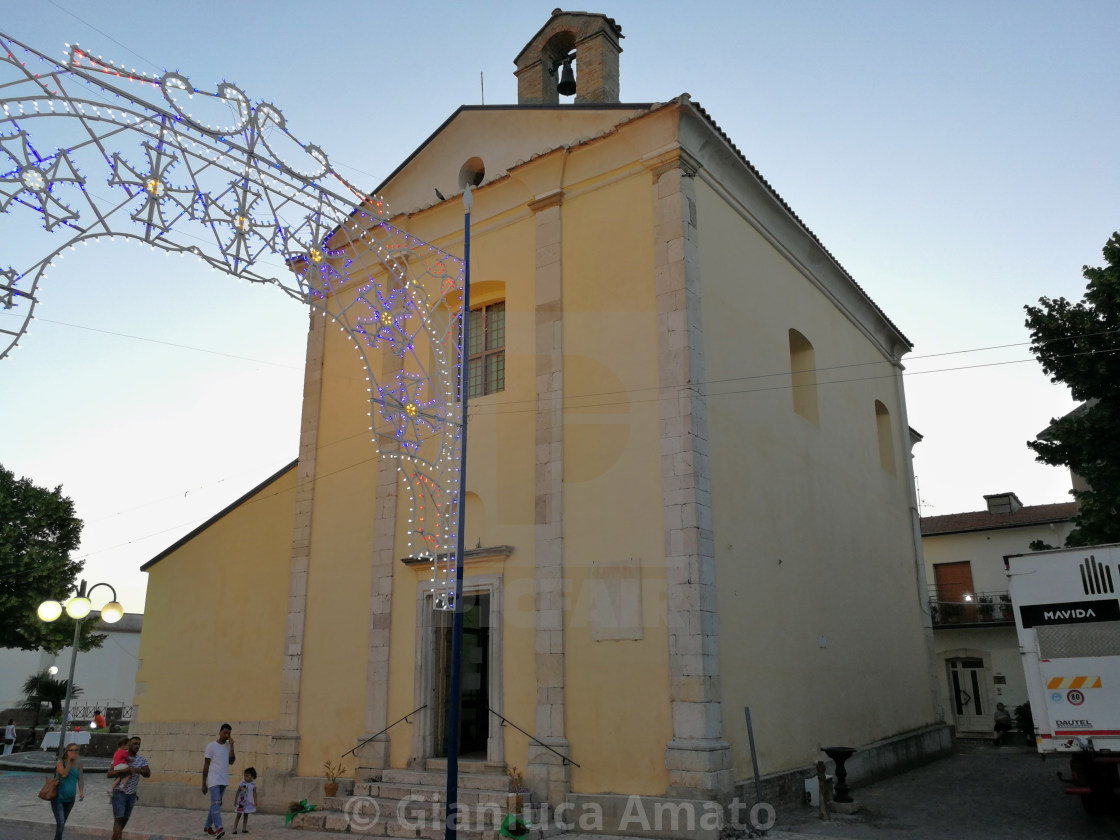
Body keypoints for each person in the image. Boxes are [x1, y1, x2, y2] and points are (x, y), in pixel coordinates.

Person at [107, 736, 149, 840]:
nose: (137, 746)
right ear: (128, 745)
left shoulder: (141, 760)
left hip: (131, 795)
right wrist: (124, 771)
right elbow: (109, 774)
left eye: (139, 744)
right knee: (118, 819)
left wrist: (138, 770)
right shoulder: (119, 756)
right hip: (119, 793)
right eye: (135, 743)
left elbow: (148, 773)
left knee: (123, 823)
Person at [202, 723, 236, 838]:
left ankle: (207, 827)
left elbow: (231, 761)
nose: (226, 735)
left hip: (223, 779)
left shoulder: (227, 746)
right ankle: (219, 828)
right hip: (213, 779)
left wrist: (232, 746)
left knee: (215, 805)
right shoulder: (211, 746)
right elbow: (206, 766)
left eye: (228, 733)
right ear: (220, 732)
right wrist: (204, 783)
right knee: (216, 803)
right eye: (224, 732)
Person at [52, 742, 85, 840]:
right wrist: (69, 762)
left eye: (76, 750)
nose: (74, 752)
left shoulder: (79, 764)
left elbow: (81, 779)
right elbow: (64, 774)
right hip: (58, 798)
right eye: (72, 750)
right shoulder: (60, 762)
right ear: (67, 752)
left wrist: (81, 792)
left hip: (70, 799)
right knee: (61, 822)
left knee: (62, 823)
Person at [232, 767, 257, 834]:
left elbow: (254, 793)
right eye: (244, 776)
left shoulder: (253, 784)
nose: (245, 777)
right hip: (242, 803)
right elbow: (238, 792)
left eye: (247, 776)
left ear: (252, 776)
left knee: (246, 815)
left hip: (248, 803)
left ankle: (244, 828)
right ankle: (234, 829)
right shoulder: (242, 783)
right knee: (238, 815)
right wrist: (235, 800)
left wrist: (255, 801)